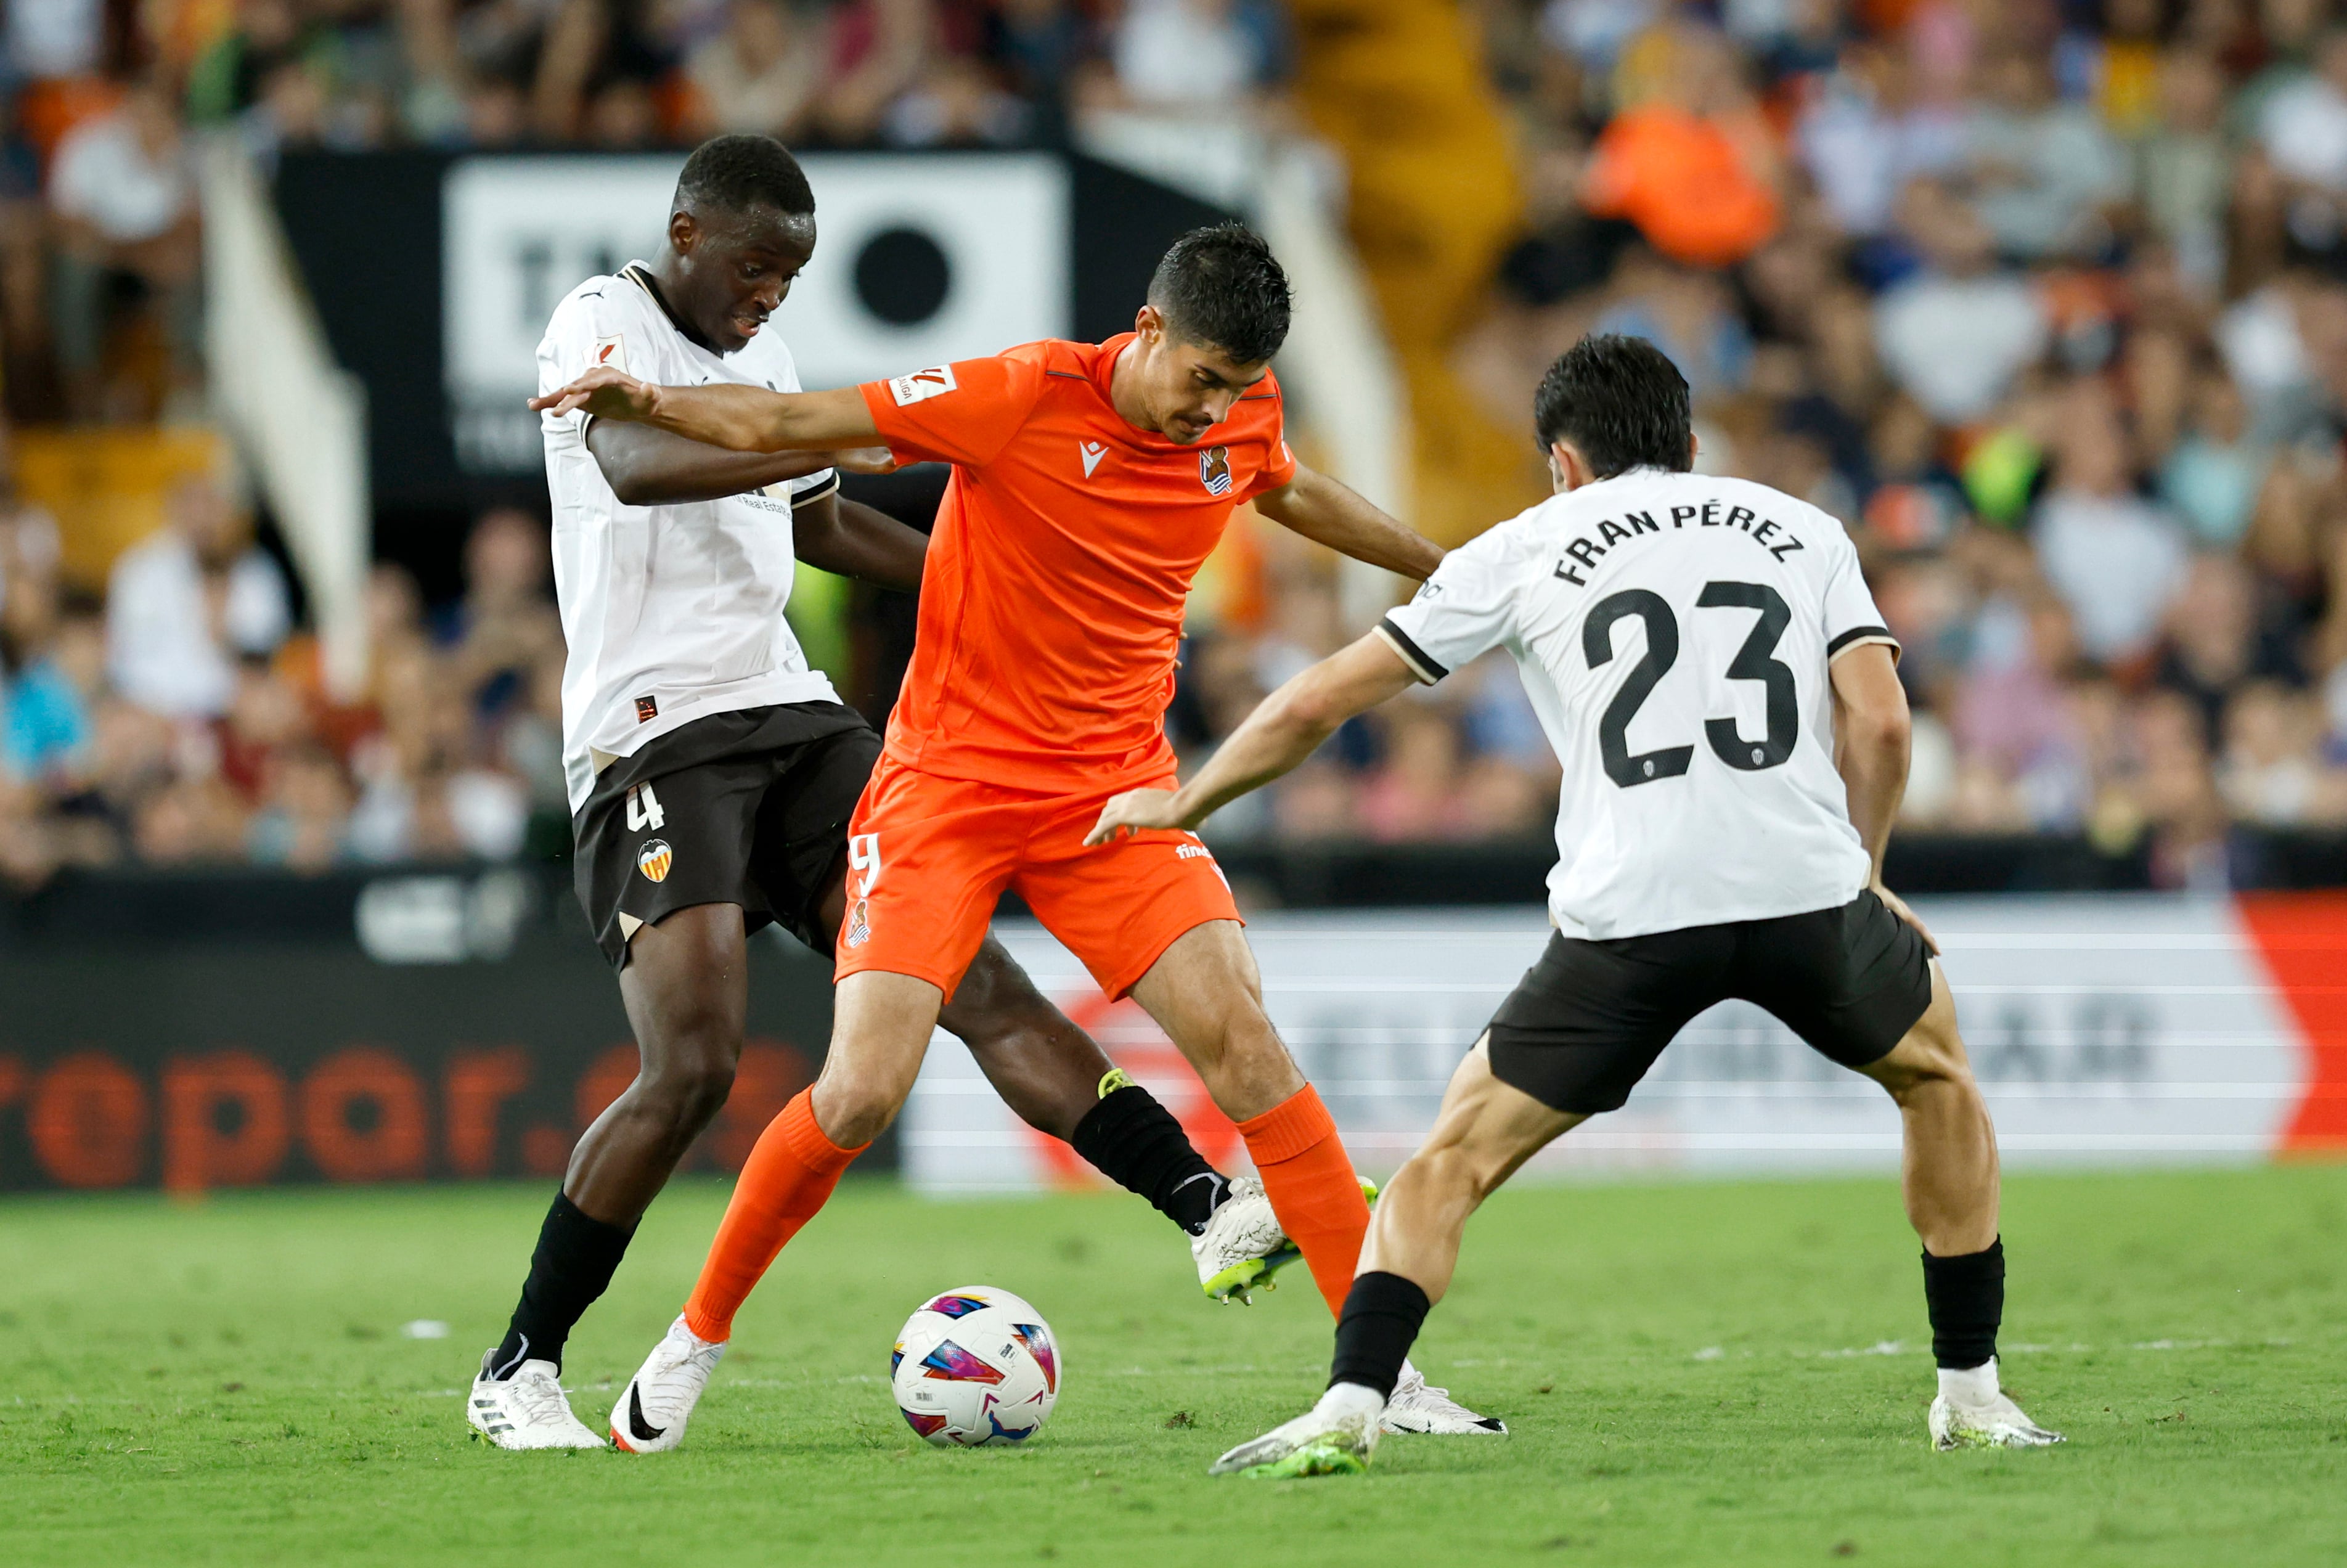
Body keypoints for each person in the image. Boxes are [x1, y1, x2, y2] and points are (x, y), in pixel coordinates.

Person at [533, 220, 1504, 1448]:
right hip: (942, 792)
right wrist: (650, 396)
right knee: (858, 1093)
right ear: (1145, 331)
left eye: (1235, 389)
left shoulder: (1237, 423)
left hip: (1112, 799)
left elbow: (1290, 486)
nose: (1210, 413)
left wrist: (1456, 569)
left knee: (1247, 1046)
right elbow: (793, 428)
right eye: (1198, 378)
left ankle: (1381, 1379)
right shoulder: (1016, 392)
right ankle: (692, 1342)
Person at [1083, 335, 2063, 1476]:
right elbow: (1883, 722)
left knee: (1448, 1163)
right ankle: (1974, 1396)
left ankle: (1353, 1403)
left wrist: (1188, 797)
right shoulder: (1801, 527)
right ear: (1690, 447)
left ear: (1562, 463)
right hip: (1806, 891)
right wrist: (1872, 873)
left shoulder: (1521, 548)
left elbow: (1316, 703)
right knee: (1937, 1082)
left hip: (1629, 914)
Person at [470, 137, 1291, 1452]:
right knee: (692, 1064)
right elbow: (634, 468)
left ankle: (1205, 1204)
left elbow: (815, 519)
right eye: (752, 267)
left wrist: (995, 579)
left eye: (789, 275)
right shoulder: (600, 319)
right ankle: (522, 1365)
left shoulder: (768, 362)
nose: (769, 296)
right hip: (651, 735)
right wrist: (766, 428)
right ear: (687, 233)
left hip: (791, 715)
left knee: (976, 983)